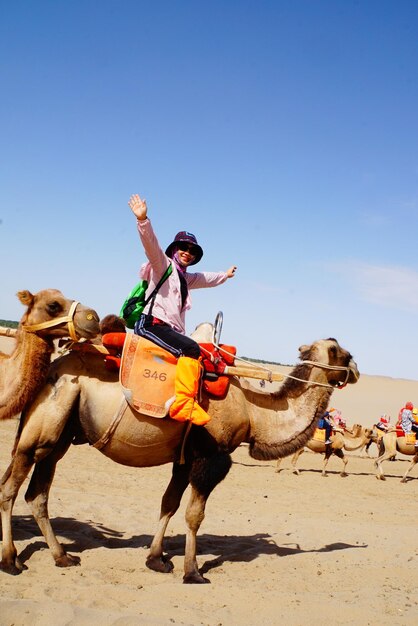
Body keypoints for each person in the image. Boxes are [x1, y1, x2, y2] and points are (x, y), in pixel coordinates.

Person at [128, 193, 237, 426]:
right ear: (174, 249)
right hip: (151, 324)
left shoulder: (186, 278)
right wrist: (143, 220)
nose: (188, 252)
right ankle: (183, 404)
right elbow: (151, 246)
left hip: (169, 329)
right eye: (183, 248)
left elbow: (207, 278)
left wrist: (225, 276)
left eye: (192, 250)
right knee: (190, 348)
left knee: (203, 352)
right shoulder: (162, 266)